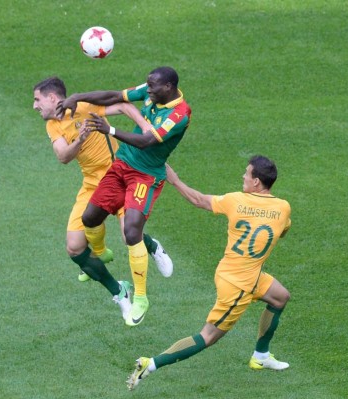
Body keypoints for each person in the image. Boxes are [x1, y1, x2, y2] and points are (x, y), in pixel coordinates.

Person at [127, 156, 292, 390]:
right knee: (207, 337)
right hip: (239, 283)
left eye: (246, 173)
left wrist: (174, 180)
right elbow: (282, 231)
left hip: (240, 277)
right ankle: (150, 364)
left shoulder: (236, 200)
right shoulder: (283, 207)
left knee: (280, 296)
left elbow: (199, 200)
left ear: (256, 182)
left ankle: (261, 356)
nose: (243, 176)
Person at [57, 66, 191, 326]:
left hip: (145, 175)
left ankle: (140, 297)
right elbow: (113, 96)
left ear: (169, 87)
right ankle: (150, 246)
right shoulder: (153, 92)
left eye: (152, 87)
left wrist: (110, 131)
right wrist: (78, 97)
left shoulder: (179, 114)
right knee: (90, 218)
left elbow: (147, 141)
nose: (147, 90)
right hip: (121, 166)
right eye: (147, 86)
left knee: (130, 231)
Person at [32, 77, 173, 321]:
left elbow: (123, 106)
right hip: (91, 185)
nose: (35, 106)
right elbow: (63, 156)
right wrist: (82, 138)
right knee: (74, 247)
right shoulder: (52, 124)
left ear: (53, 98)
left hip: (120, 175)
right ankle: (119, 291)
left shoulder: (84, 106)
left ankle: (153, 247)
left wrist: (145, 127)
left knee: (129, 234)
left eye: (37, 100)